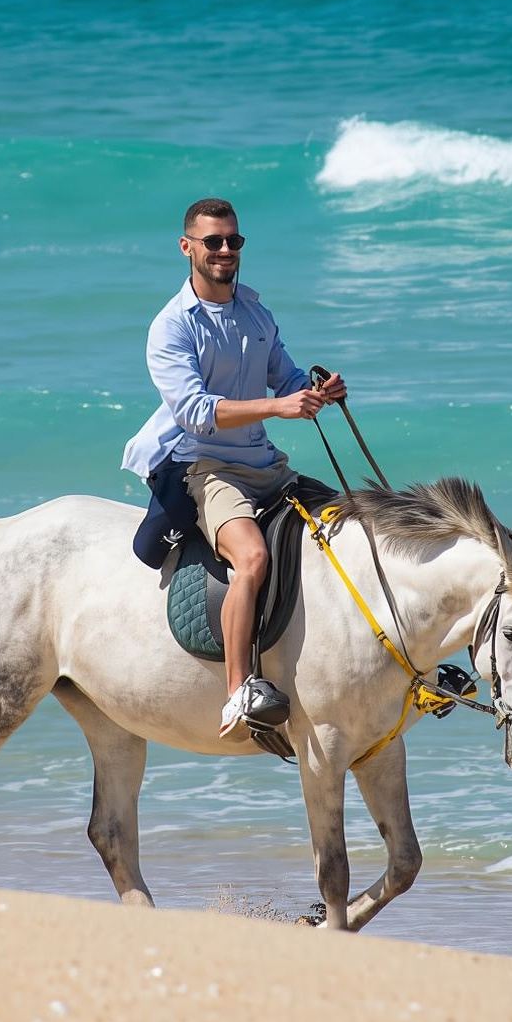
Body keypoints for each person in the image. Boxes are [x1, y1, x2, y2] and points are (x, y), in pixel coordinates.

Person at [122, 198, 346, 739]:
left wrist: (314, 392)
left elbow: (284, 376)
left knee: (353, 527)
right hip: (206, 467)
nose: (225, 251)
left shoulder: (255, 312)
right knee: (252, 558)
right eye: (213, 242)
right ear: (187, 248)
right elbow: (197, 415)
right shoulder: (172, 327)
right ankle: (239, 691)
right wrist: (277, 407)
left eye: (234, 241)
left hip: (265, 463)